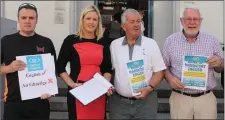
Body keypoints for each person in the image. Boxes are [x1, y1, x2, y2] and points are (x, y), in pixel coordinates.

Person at [163, 7, 224, 119]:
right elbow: (164, 66)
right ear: (182, 21)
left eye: (195, 19)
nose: (192, 22)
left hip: (205, 99)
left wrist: (219, 63)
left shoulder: (212, 40)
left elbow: (223, 65)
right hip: (180, 98)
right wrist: (170, 78)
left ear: (200, 21)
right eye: (188, 19)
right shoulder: (170, 41)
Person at [1, 3, 56, 120]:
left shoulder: (46, 43)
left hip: (40, 103)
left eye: (31, 18)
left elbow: (53, 71)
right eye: (24, 18)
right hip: (14, 103)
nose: (27, 21)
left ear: (37, 20)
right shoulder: (6, 41)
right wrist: (9, 68)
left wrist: (50, 91)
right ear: (18, 20)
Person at [56, 5, 113, 120]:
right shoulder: (71, 40)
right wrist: (71, 84)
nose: (91, 22)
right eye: (88, 18)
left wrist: (105, 84)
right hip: (78, 92)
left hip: (98, 93)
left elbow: (107, 69)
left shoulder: (103, 42)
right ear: (82, 20)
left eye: (95, 19)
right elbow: (59, 66)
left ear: (98, 22)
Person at [108, 9, 166, 119]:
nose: (136, 25)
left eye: (138, 21)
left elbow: (159, 71)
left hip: (146, 103)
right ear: (123, 26)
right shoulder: (114, 45)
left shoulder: (151, 44)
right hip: (119, 104)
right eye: (132, 22)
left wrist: (149, 87)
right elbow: (111, 71)